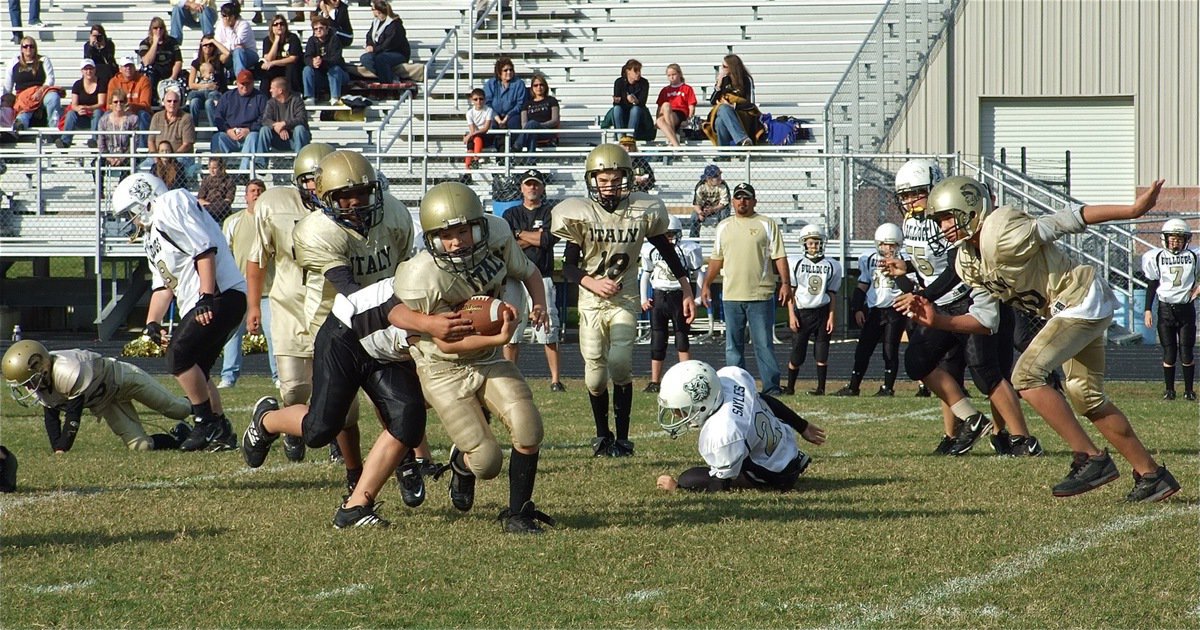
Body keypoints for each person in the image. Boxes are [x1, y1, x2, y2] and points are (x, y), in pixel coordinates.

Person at [915, 175, 1179, 501]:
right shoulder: (967, 259)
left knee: (1026, 376)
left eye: (947, 217)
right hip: (1071, 308)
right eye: (939, 221)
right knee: (1086, 397)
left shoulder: (1001, 231)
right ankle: (1152, 475)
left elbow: (1067, 219)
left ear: (971, 209)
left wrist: (1132, 211)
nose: (943, 227)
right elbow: (986, 320)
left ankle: (1090, 458)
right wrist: (939, 321)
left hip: (1079, 299)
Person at [391, 181, 555, 533]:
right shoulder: (422, 275)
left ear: (479, 226)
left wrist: (538, 303)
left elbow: (528, 271)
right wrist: (499, 336)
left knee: (529, 427)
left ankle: (519, 513)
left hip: (488, 357)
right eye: (447, 235)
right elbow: (446, 344)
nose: (457, 241)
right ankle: (462, 466)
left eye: (463, 231)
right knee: (487, 462)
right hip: (442, 367)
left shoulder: (497, 236)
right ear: (432, 239)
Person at [292, 150, 430, 498]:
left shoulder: (394, 215)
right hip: (335, 325)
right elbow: (351, 292)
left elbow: (406, 272)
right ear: (326, 199)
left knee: (400, 402)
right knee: (326, 426)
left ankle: (405, 462)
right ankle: (266, 421)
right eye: (345, 196)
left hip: (385, 319)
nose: (356, 202)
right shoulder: (317, 231)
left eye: (362, 192)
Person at [552, 143, 696, 457]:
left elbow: (666, 249)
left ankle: (624, 438)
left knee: (619, 363)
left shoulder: (642, 209)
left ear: (627, 178)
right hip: (591, 300)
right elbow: (570, 266)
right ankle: (602, 435)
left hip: (625, 296)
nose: (609, 185)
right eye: (603, 180)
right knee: (594, 375)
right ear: (592, 180)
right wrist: (592, 282)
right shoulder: (580, 214)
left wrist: (686, 288)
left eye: (615, 179)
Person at [890, 158, 1038, 457]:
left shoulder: (952, 217)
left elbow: (957, 268)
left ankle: (1020, 438)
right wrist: (906, 269)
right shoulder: (910, 222)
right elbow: (930, 263)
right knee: (921, 362)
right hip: (940, 303)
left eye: (916, 193)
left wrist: (925, 295)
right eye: (904, 195)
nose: (910, 200)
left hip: (971, 299)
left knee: (987, 373)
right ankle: (968, 423)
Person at [109, 172, 247, 452]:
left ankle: (205, 423)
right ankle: (220, 431)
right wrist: (152, 322)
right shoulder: (151, 236)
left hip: (221, 293)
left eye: (131, 212)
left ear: (144, 199)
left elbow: (204, 250)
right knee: (197, 368)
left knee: (178, 356)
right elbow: (163, 286)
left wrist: (206, 296)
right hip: (209, 297)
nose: (131, 220)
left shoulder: (170, 203)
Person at [245, 142, 336, 464]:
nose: (316, 187)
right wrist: (253, 306)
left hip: (332, 304)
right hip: (289, 304)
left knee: (336, 381)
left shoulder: (347, 206)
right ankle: (289, 426)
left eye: (322, 179)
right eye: (310, 179)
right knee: (295, 387)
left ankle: (339, 440)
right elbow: (257, 259)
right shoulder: (275, 206)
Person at [654, 361, 825, 492]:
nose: (678, 415)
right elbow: (766, 400)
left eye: (680, 410)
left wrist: (680, 489)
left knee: (688, 478)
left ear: (702, 404)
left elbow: (720, 485)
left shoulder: (723, 431)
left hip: (776, 475)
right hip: (788, 452)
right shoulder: (732, 379)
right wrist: (802, 426)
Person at [2, 340, 192, 452]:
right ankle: (180, 437)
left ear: (40, 366)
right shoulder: (40, 383)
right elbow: (51, 417)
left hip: (122, 379)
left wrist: (63, 447)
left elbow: (73, 415)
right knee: (141, 446)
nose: (28, 387)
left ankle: (204, 413)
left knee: (177, 409)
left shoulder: (67, 370)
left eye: (28, 381)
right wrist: (57, 448)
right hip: (105, 402)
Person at [700, 183, 791, 395]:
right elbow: (716, 259)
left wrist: (785, 283)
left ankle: (771, 387)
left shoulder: (766, 224)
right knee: (733, 346)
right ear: (732, 201)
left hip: (760, 294)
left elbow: (779, 256)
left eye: (747, 198)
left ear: (754, 201)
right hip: (732, 295)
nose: (742, 201)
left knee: (763, 344)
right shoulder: (723, 226)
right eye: (738, 197)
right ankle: (736, 386)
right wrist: (706, 284)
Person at [502, 169, 564, 391]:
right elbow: (507, 243)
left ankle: (555, 380)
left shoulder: (550, 212)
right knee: (511, 331)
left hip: (543, 275)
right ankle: (510, 380)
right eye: (528, 184)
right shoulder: (510, 213)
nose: (532, 188)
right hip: (515, 278)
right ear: (521, 188)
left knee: (549, 330)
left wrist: (520, 234)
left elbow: (548, 240)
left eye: (536, 184)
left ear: (542, 188)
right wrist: (534, 238)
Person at [831, 223, 906, 398]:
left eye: (892, 245)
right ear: (878, 244)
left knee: (890, 349)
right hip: (875, 310)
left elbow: (909, 286)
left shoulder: (905, 260)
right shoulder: (869, 258)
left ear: (898, 245)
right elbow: (863, 284)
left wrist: (899, 274)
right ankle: (853, 386)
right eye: (884, 244)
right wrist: (857, 308)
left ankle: (888, 387)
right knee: (863, 348)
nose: (888, 249)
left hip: (895, 309)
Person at [218, 178, 277, 389]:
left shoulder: (273, 222)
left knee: (273, 333)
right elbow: (223, 254)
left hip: (268, 290)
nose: (256, 194)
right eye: (253, 190)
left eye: (260, 190)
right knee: (233, 334)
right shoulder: (233, 222)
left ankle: (279, 377)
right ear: (246, 196)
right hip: (240, 290)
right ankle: (228, 377)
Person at [639, 215, 702, 392]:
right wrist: (643, 298)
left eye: (671, 234)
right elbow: (645, 274)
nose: (668, 238)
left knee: (682, 337)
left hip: (679, 296)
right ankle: (655, 381)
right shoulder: (650, 249)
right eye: (665, 234)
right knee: (657, 340)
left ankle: (687, 380)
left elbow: (698, 273)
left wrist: (696, 297)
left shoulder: (687, 249)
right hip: (659, 296)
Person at [1141, 218, 1199, 401]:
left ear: (1186, 240)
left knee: (1187, 351)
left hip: (1186, 308)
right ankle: (1169, 390)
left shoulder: (1194, 255)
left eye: (1179, 239)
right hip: (1165, 309)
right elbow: (1152, 284)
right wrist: (1147, 309)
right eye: (1172, 239)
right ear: (1165, 239)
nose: (1176, 243)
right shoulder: (1156, 257)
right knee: (1169, 352)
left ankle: (1189, 390)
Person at [783, 225, 841, 396]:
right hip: (802, 312)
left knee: (822, 353)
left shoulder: (832, 265)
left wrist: (831, 316)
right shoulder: (796, 263)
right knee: (797, 354)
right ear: (804, 244)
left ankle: (821, 388)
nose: (814, 246)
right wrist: (791, 315)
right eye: (810, 243)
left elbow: (832, 293)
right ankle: (790, 387)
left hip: (822, 311)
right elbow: (791, 292)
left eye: (817, 243)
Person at [212, 69, 267, 171]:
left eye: (248, 83)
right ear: (237, 83)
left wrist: (249, 129)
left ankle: (243, 173)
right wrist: (227, 130)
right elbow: (218, 117)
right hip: (230, 135)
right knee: (217, 137)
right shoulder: (227, 97)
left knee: (253, 136)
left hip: (249, 136)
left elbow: (264, 118)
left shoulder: (260, 98)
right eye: (242, 84)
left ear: (253, 83)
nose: (245, 86)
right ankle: (217, 172)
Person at [3, 37, 61, 131]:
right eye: (25, 46)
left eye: (31, 46)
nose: (28, 48)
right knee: (25, 105)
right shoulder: (14, 62)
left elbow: (50, 79)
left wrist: (40, 91)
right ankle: (20, 124)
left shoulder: (43, 60)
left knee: (53, 97)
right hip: (23, 95)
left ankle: (53, 129)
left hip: (42, 92)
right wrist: (6, 99)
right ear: (21, 49)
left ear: (35, 48)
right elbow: (8, 86)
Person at [706, 54, 760, 146]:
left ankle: (728, 149)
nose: (722, 69)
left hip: (741, 115)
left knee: (722, 114)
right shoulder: (724, 80)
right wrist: (718, 85)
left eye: (724, 67)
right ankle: (743, 140)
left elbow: (751, 105)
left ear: (732, 67)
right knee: (720, 119)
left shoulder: (746, 80)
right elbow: (712, 101)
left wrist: (733, 106)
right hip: (724, 113)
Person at [255, 76, 310, 158]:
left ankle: (298, 161)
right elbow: (265, 120)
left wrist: (284, 124)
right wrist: (277, 127)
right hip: (278, 139)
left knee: (300, 129)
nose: (270, 90)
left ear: (280, 91)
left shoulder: (297, 100)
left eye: (272, 88)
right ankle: (260, 163)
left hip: (295, 139)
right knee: (264, 130)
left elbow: (302, 119)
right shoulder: (271, 102)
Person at [56, 59, 106, 149]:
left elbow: (101, 103)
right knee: (71, 113)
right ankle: (65, 141)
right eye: (86, 69)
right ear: (82, 71)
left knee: (98, 112)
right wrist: (79, 109)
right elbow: (74, 105)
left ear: (95, 70)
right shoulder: (77, 84)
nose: (88, 71)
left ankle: (95, 140)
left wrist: (89, 108)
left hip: (97, 118)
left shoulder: (101, 83)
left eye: (91, 68)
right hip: (82, 117)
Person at [106, 55, 153, 149]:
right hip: (119, 112)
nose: (128, 68)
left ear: (135, 67)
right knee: (105, 115)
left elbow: (146, 104)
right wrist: (120, 108)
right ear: (120, 69)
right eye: (125, 66)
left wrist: (132, 106)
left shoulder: (143, 80)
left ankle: (142, 149)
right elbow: (109, 105)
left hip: (137, 113)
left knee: (143, 114)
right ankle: (107, 147)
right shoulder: (114, 82)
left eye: (130, 66)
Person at [136, 17, 184, 105]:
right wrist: (155, 43)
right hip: (154, 75)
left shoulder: (172, 42)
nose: (158, 30)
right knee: (147, 71)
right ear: (151, 30)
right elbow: (147, 62)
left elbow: (178, 61)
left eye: (161, 28)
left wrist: (172, 77)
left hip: (170, 74)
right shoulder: (145, 43)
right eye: (155, 28)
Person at [149, 85, 196, 175]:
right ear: (163, 102)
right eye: (169, 101)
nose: (172, 104)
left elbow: (187, 144)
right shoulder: (156, 117)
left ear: (179, 103)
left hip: (180, 156)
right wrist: (157, 158)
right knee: (142, 170)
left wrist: (171, 157)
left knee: (178, 169)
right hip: (158, 156)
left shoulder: (187, 118)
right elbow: (151, 141)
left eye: (175, 101)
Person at [302, 16, 349, 106]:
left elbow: (336, 59)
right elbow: (307, 57)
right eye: (316, 29)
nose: (318, 30)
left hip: (338, 75)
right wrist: (313, 62)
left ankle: (335, 97)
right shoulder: (311, 40)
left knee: (335, 69)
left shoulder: (334, 39)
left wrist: (322, 62)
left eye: (321, 28)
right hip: (321, 75)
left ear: (327, 29)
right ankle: (309, 97)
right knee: (307, 70)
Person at [359, 0, 409, 83]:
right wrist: (369, 45)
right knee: (365, 58)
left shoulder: (394, 24)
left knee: (381, 59)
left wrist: (374, 49)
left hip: (397, 53)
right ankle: (391, 76)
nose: (372, 11)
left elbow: (389, 44)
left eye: (373, 9)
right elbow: (369, 36)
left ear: (378, 11)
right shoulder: (376, 22)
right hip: (380, 52)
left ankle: (387, 83)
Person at [483, 56, 526, 151]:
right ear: (499, 72)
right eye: (505, 70)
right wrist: (497, 119)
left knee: (514, 123)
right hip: (494, 114)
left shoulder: (519, 84)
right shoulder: (491, 84)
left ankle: (513, 150)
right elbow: (487, 103)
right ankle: (500, 151)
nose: (509, 72)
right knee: (493, 124)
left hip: (512, 114)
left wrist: (507, 117)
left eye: (511, 70)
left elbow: (520, 104)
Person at [95, 87, 141, 173]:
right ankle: (100, 182)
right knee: (96, 163)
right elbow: (101, 143)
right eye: (115, 102)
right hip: (108, 154)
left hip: (127, 155)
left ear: (125, 103)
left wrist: (122, 158)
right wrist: (109, 158)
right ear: (111, 104)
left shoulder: (133, 119)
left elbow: (135, 143)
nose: (118, 104)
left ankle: (124, 182)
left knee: (132, 162)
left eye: (121, 101)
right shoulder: (103, 120)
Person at [187, 36, 227, 126]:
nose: (208, 47)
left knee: (209, 103)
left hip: (215, 94)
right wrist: (207, 86)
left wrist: (213, 40)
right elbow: (191, 84)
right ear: (201, 46)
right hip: (201, 93)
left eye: (210, 45)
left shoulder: (218, 59)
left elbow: (227, 53)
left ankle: (215, 129)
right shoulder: (196, 63)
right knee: (194, 102)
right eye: (205, 45)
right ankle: (192, 129)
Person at [258, 15, 304, 94]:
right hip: (276, 69)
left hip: (289, 68)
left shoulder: (293, 38)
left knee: (291, 67)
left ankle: (293, 94)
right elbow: (268, 59)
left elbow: (293, 58)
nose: (279, 26)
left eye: (281, 24)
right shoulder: (267, 40)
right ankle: (264, 97)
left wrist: (273, 63)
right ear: (272, 27)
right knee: (265, 72)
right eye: (276, 24)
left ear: (285, 26)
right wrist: (276, 41)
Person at [213, 2, 259, 80]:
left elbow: (237, 41)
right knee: (221, 55)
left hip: (249, 54)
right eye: (223, 15)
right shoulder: (220, 25)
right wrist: (231, 47)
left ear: (233, 16)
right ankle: (230, 74)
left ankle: (240, 80)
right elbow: (219, 43)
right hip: (229, 54)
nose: (224, 19)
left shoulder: (244, 25)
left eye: (226, 16)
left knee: (238, 51)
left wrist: (228, 28)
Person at [655, 63, 696, 147]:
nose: (671, 77)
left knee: (666, 105)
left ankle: (672, 140)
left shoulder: (687, 88)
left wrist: (688, 119)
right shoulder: (665, 90)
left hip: (679, 113)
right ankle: (676, 145)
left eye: (674, 74)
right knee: (659, 120)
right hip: (666, 113)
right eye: (669, 75)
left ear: (679, 74)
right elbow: (659, 107)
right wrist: (656, 118)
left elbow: (691, 106)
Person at [515, 72, 558, 153]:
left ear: (545, 86)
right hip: (531, 131)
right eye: (536, 85)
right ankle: (531, 159)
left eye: (541, 85)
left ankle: (518, 145)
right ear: (532, 88)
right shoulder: (526, 104)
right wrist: (534, 127)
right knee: (532, 132)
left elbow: (555, 120)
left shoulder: (552, 100)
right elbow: (524, 124)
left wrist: (538, 125)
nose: (539, 87)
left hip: (546, 131)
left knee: (532, 124)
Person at [608, 58, 649, 139]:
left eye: (639, 71)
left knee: (635, 109)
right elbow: (616, 103)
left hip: (638, 112)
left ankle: (630, 136)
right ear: (628, 71)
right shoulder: (619, 82)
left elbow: (642, 102)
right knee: (616, 109)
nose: (638, 73)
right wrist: (623, 99)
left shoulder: (644, 83)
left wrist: (635, 101)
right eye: (636, 71)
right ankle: (620, 135)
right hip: (623, 110)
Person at [689, 164, 730, 237]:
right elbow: (696, 204)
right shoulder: (701, 185)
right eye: (717, 176)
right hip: (704, 208)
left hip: (719, 208)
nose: (720, 178)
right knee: (694, 217)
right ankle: (694, 240)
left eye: (720, 175)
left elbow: (724, 203)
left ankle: (723, 237)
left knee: (724, 214)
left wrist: (713, 209)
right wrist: (700, 212)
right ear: (709, 179)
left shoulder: (723, 185)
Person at [197, 156, 236, 222]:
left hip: (222, 209)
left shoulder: (228, 181)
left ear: (221, 168)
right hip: (207, 207)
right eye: (210, 168)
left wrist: (216, 206)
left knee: (224, 206)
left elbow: (228, 200)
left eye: (214, 168)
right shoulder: (206, 180)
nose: (211, 170)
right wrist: (210, 206)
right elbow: (200, 199)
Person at [463, 87, 492, 171]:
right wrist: (470, 135)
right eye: (475, 99)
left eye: (481, 99)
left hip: (486, 136)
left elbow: (485, 128)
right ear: (471, 100)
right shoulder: (469, 113)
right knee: (471, 145)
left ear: (485, 100)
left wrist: (469, 135)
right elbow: (472, 130)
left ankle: (474, 160)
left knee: (476, 138)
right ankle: (469, 168)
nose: (478, 101)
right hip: (475, 136)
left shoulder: (488, 110)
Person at [83, 25, 118, 91]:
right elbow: (87, 60)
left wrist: (103, 47)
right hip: (94, 70)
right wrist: (91, 46)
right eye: (94, 36)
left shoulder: (109, 44)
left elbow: (109, 60)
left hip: (107, 70)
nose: (97, 38)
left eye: (99, 36)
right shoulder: (87, 45)